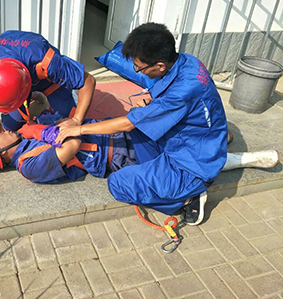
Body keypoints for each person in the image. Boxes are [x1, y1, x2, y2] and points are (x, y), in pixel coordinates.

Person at [55, 22, 229, 225]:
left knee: (118, 183)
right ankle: (159, 176)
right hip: (193, 140)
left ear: (160, 66)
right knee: (140, 120)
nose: (138, 71)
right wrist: (151, 104)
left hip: (191, 164)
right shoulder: (188, 62)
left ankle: (187, 197)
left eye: (139, 67)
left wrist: (79, 127)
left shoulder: (182, 92)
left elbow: (128, 124)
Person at [0, 122, 280, 192]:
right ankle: (244, 159)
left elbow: (46, 111)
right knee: (179, 160)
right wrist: (50, 131)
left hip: (114, 137)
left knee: (168, 131)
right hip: (117, 157)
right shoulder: (28, 165)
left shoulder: (25, 138)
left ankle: (215, 140)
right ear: (1, 154)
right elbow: (71, 147)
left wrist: (39, 114)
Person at [0, 30, 96, 133]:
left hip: (47, 79)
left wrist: (77, 120)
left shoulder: (48, 62)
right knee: (10, 125)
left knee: (66, 122)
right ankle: (34, 96)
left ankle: (40, 93)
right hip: (26, 74)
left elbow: (88, 81)